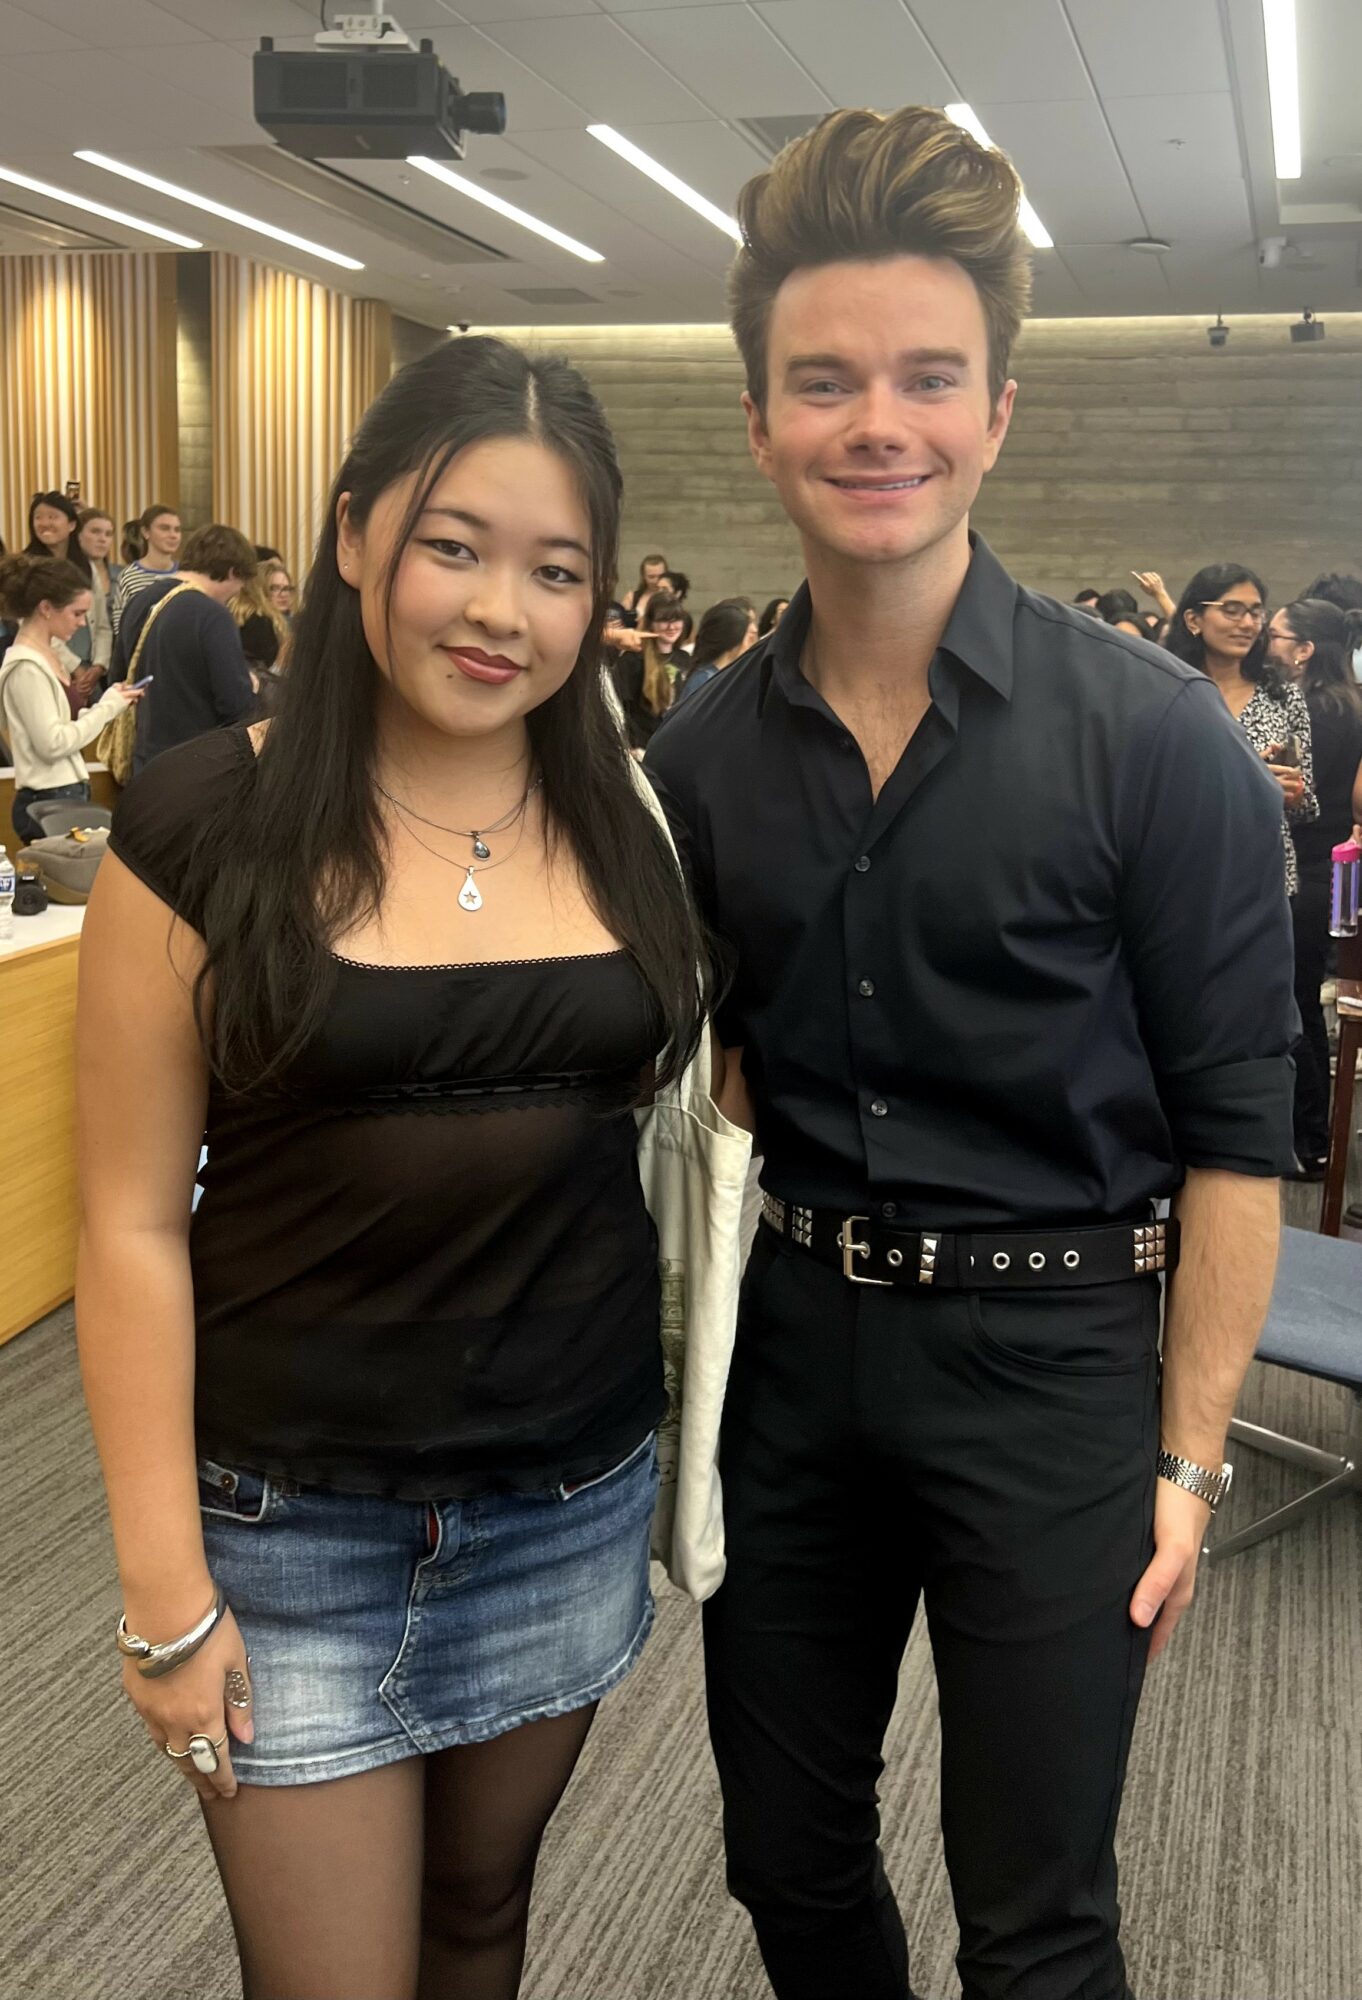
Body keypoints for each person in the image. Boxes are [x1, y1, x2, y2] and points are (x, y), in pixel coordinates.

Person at [645, 104, 1296, 2000]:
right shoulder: (696, 756)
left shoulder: (1153, 741)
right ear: (762, 419)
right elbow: (695, 1077)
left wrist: (1187, 1462)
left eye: (928, 378)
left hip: (1057, 1368)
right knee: (784, 1866)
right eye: (824, 380)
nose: (878, 423)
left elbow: (1236, 1141)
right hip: (792, 1365)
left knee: (1036, 1919)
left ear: (996, 412)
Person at [75, 334, 710, 2000]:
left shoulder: (626, 819)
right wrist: (164, 1589)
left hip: (564, 1504)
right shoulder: (212, 818)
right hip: (289, 1533)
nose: (502, 608)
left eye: (554, 571)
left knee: (483, 1923)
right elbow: (129, 1219)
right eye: (456, 546)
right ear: (355, 532)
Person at [1265, 596, 1362, 1178]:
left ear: (1305, 649)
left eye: (1274, 634)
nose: (1264, 642)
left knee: (1296, 1007)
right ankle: (1312, 1136)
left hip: (1306, 866)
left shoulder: (1314, 710)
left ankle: (1310, 1138)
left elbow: (1302, 798)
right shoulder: (1350, 702)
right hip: (1334, 869)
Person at [1165, 564, 1317, 896]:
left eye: (1255, 613)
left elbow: (1306, 807)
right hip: (1185, 873)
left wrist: (1292, 792)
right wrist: (1247, 778)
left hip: (1266, 878)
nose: (1247, 624)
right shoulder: (1168, 693)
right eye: (1232, 611)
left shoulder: (1282, 696)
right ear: (1194, 620)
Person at [0, 554, 141, 842]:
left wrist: (110, 704)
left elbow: (65, 727)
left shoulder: (49, 655)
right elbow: (53, 743)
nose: (81, 623)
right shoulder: (27, 667)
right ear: (46, 608)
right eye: (76, 613)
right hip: (48, 798)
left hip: (65, 791)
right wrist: (107, 708)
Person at [108, 525, 257, 776]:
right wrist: (251, 688)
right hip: (197, 763)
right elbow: (234, 704)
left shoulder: (139, 600)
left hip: (145, 757)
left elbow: (117, 678)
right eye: (241, 584)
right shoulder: (212, 615)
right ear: (232, 573)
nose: (237, 592)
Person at [611, 590, 685, 751]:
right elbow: (620, 708)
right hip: (641, 749)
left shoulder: (685, 659)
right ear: (651, 623)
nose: (672, 627)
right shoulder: (632, 660)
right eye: (664, 620)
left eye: (677, 620)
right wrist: (629, 745)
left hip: (675, 746)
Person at [65, 507, 120, 695]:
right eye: (95, 532)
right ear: (78, 535)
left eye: (108, 534)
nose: (102, 539)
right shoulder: (64, 571)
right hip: (67, 663)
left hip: (102, 664)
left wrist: (99, 665)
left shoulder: (119, 574)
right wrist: (76, 667)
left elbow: (104, 626)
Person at [110, 503, 182, 634]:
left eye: (177, 530)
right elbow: (120, 627)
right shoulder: (129, 577)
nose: (173, 535)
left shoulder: (187, 574)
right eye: (164, 528)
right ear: (146, 532)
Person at [673, 598, 760, 704]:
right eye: (748, 637)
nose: (751, 643)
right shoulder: (704, 681)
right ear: (733, 640)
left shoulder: (731, 675)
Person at [23, 489, 80, 565]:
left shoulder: (84, 561)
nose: (45, 524)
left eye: (52, 517)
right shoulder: (23, 564)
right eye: (38, 517)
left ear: (72, 525)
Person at [622, 551, 668, 620]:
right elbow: (621, 625)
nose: (656, 581)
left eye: (661, 576)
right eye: (651, 577)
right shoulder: (632, 598)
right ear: (643, 576)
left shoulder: (673, 597)